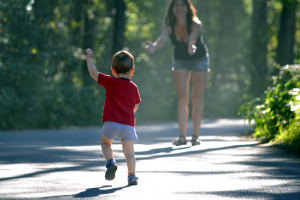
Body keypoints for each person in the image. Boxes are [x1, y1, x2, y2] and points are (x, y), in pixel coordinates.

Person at [145, 0, 209, 146]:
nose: (179, 8)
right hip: (180, 60)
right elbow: (161, 40)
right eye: (176, 5)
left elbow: (193, 37)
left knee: (197, 97)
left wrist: (191, 46)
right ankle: (182, 137)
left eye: (182, 5)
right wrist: (153, 47)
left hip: (199, 59)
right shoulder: (168, 27)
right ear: (172, 9)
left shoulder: (195, 23)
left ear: (187, 8)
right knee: (182, 97)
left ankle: (195, 136)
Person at [85, 48, 141, 186]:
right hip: (128, 125)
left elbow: (93, 73)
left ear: (112, 70)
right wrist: (128, 113)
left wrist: (89, 58)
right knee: (129, 153)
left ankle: (110, 162)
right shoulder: (133, 87)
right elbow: (136, 106)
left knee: (105, 143)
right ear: (132, 71)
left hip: (111, 124)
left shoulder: (110, 82)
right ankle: (132, 176)